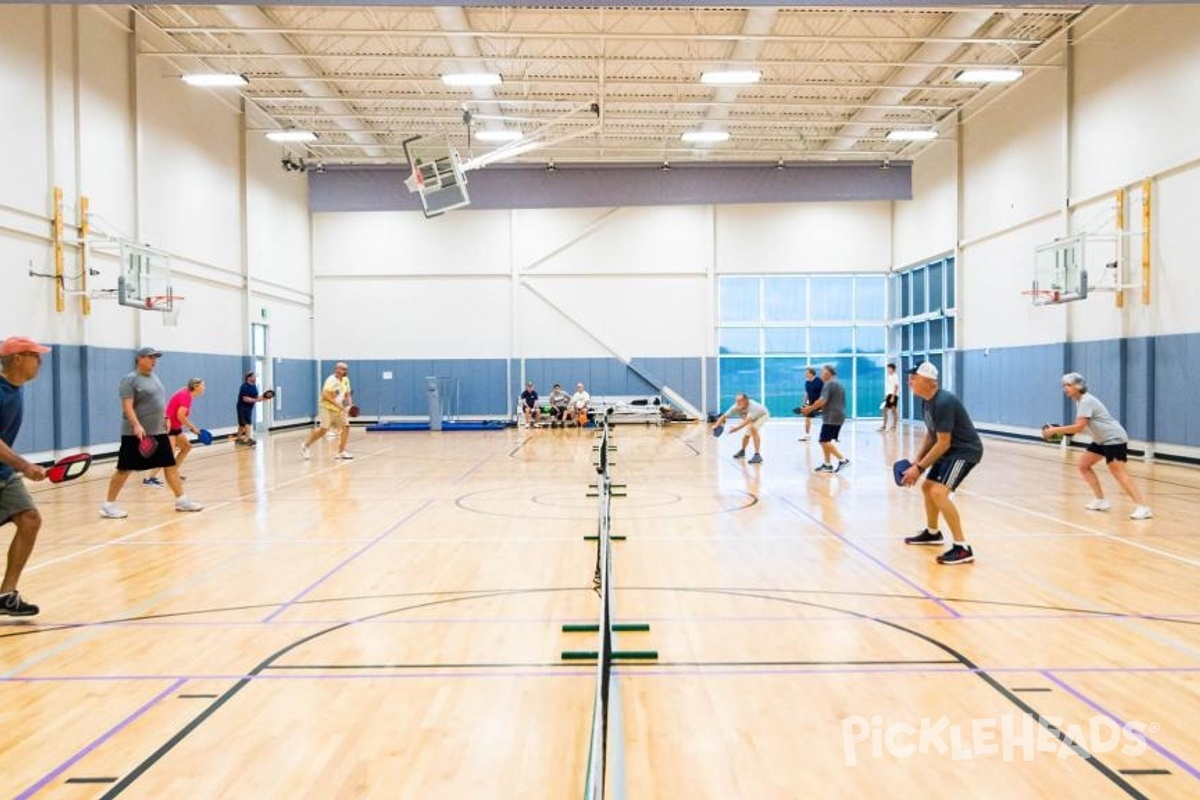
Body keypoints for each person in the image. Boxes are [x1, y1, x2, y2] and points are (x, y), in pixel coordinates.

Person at [100, 347, 204, 518]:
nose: (154, 360)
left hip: (159, 432)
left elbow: (158, 401)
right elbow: (127, 406)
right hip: (136, 434)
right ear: (140, 359)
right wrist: (136, 425)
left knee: (170, 465)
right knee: (124, 469)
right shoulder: (130, 380)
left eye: (155, 357)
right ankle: (108, 505)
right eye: (150, 357)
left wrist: (165, 417)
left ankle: (181, 500)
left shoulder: (154, 377)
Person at [899, 362, 982, 565]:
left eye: (914, 377)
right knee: (928, 488)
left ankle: (962, 548)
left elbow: (944, 442)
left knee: (938, 492)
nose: (909, 381)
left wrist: (918, 469)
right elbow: (931, 434)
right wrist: (916, 461)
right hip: (949, 450)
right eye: (909, 377)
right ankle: (933, 533)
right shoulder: (927, 401)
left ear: (929, 381)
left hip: (963, 452)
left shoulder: (944, 401)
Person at [1044, 373, 1152, 520]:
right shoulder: (1080, 401)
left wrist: (1055, 430)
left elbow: (1079, 427)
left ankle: (1143, 507)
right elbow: (1083, 427)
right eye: (1063, 386)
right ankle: (1101, 500)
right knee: (1084, 465)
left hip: (1114, 438)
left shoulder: (1086, 401)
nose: (1065, 389)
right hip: (1101, 439)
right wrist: (1062, 432)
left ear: (1078, 386)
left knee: (1118, 472)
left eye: (1068, 385)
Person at [0, 336, 52, 616]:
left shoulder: (15, 387)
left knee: (30, 519)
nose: (40, 362)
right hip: (9, 467)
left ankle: (6, 594)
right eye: (36, 355)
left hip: (4, 472)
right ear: (18, 358)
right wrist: (23, 465)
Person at [144, 378, 206, 486]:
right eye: (203, 385)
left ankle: (173, 473)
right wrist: (193, 428)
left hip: (175, 426)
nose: (204, 387)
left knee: (186, 447)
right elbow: (180, 416)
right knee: (168, 453)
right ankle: (149, 478)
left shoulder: (186, 393)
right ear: (196, 386)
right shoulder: (186, 396)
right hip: (168, 426)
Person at [301, 361, 354, 460]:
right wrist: (338, 405)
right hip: (327, 408)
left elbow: (347, 394)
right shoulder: (331, 380)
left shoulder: (346, 379)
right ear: (337, 369)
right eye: (343, 369)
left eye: (346, 369)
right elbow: (325, 395)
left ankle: (341, 452)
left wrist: (350, 405)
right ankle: (305, 446)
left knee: (346, 427)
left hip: (340, 409)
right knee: (323, 430)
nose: (345, 371)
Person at [802, 364, 849, 473]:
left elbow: (823, 400)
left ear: (828, 373)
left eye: (823, 372)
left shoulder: (829, 384)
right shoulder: (838, 384)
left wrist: (810, 408)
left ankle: (843, 460)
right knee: (825, 440)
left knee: (823, 441)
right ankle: (827, 464)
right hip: (836, 415)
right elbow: (828, 402)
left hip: (832, 416)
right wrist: (816, 409)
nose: (821, 374)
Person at [713, 393, 770, 464]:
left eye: (740, 401)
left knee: (753, 428)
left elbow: (747, 421)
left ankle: (757, 455)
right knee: (747, 435)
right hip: (751, 417)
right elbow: (723, 416)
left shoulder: (754, 407)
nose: (738, 403)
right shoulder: (736, 407)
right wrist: (716, 425)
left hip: (762, 415)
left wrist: (736, 428)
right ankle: (742, 451)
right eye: (737, 401)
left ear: (746, 400)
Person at [237, 371, 270, 446]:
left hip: (249, 408)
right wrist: (256, 400)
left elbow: (256, 397)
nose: (255, 377)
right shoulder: (244, 386)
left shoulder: (254, 386)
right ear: (249, 377)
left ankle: (238, 439)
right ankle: (248, 439)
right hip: (242, 407)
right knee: (247, 423)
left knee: (242, 425)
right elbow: (245, 398)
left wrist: (263, 397)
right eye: (254, 376)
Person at [798, 367, 823, 442]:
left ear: (812, 373)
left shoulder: (819, 381)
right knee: (807, 418)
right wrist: (804, 404)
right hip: (811, 404)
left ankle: (829, 436)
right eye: (805, 373)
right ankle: (807, 436)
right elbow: (807, 394)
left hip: (821, 403)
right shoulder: (807, 383)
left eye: (807, 373)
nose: (805, 374)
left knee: (826, 419)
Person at [879, 362, 900, 431]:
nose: (888, 370)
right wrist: (885, 396)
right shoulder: (889, 376)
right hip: (888, 395)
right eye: (887, 368)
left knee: (893, 410)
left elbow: (896, 387)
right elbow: (888, 387)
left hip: (893, 395)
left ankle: (894, 426)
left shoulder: (895, 376)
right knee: (884, 410)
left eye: (889, 368)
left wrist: (893, 397)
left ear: (892, 369)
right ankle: (884, 426)